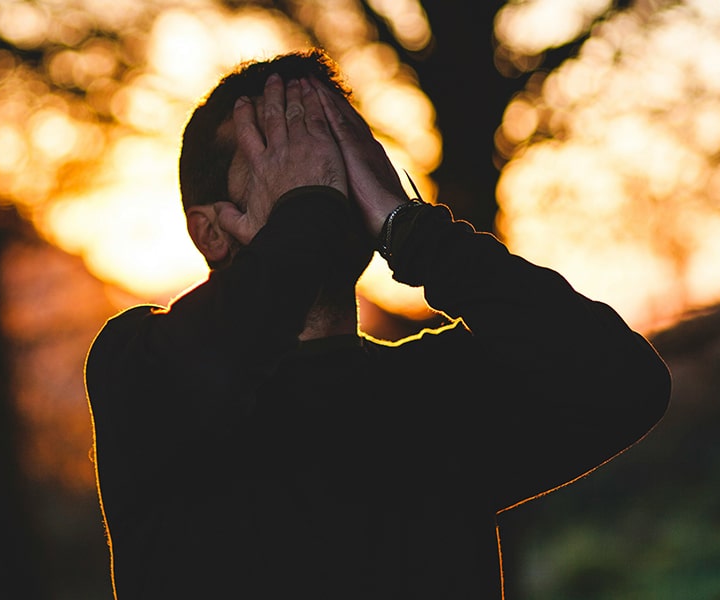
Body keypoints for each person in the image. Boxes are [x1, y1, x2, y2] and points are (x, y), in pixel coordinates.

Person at [84, 48, 670, 599]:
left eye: (336, 148)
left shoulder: (439, 390)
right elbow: (215, 359)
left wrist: (410, 229)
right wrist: (309, 206)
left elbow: (626, 383)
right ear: (210, 231)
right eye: (285, 155)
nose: (324, 174)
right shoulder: (140, 367)